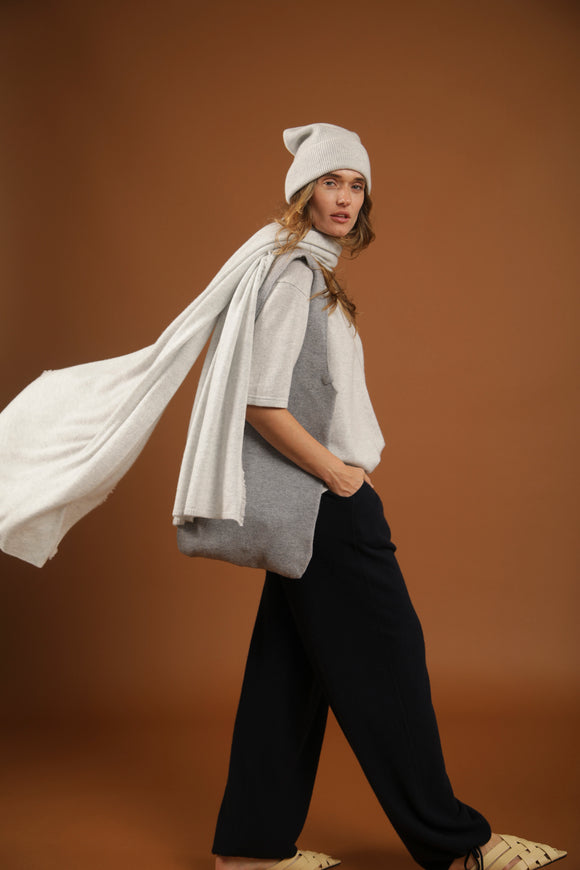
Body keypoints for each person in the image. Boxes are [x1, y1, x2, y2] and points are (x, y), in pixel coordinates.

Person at [195, 125, 567, 870]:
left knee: (289, 672)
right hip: (327, 504)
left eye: (356, 184)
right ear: (303, 191)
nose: (344, 197)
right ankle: (459, 846)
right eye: (330, 182)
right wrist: (339, 476)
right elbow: (261, 404)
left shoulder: (302, 269)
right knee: (390, 663)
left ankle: (251, 851)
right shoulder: (295, 274)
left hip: (311, 506)